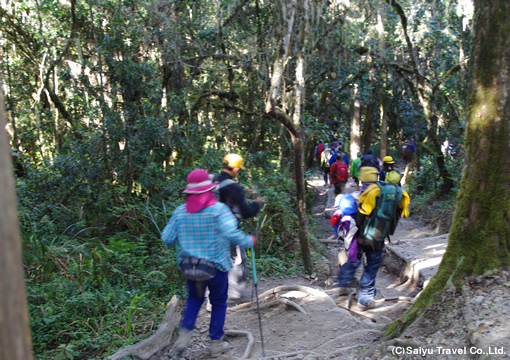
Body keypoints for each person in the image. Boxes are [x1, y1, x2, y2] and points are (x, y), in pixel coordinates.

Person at [162, 169, 256, 357]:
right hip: (217, 268)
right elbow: (232, 234)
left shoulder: (180, 213)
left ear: (189, 192)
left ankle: (183, 338)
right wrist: (249, 241)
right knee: (219, 303)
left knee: (195, 300)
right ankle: (215, 344)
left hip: (192, 269)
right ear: (209, 190)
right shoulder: (219, 210)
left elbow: (167, 238)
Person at [336, 182, 410, 311]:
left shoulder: (374, 190)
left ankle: (343, 287)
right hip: (378, 238)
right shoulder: (402, 195)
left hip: (361, 234)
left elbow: (364, 211)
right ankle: (365, 299)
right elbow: (404, 214)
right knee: (372, 265)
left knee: (354, 259)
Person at [212, 154, 264, 301]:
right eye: (239, 170)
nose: (239, 172)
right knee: (237, 259)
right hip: (227, 231)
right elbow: (245, 213)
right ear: (235, 169)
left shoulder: (210, 180)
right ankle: (234, 294)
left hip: (208, 230)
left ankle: (212, 294)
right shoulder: (234, 187)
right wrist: (256, 204)